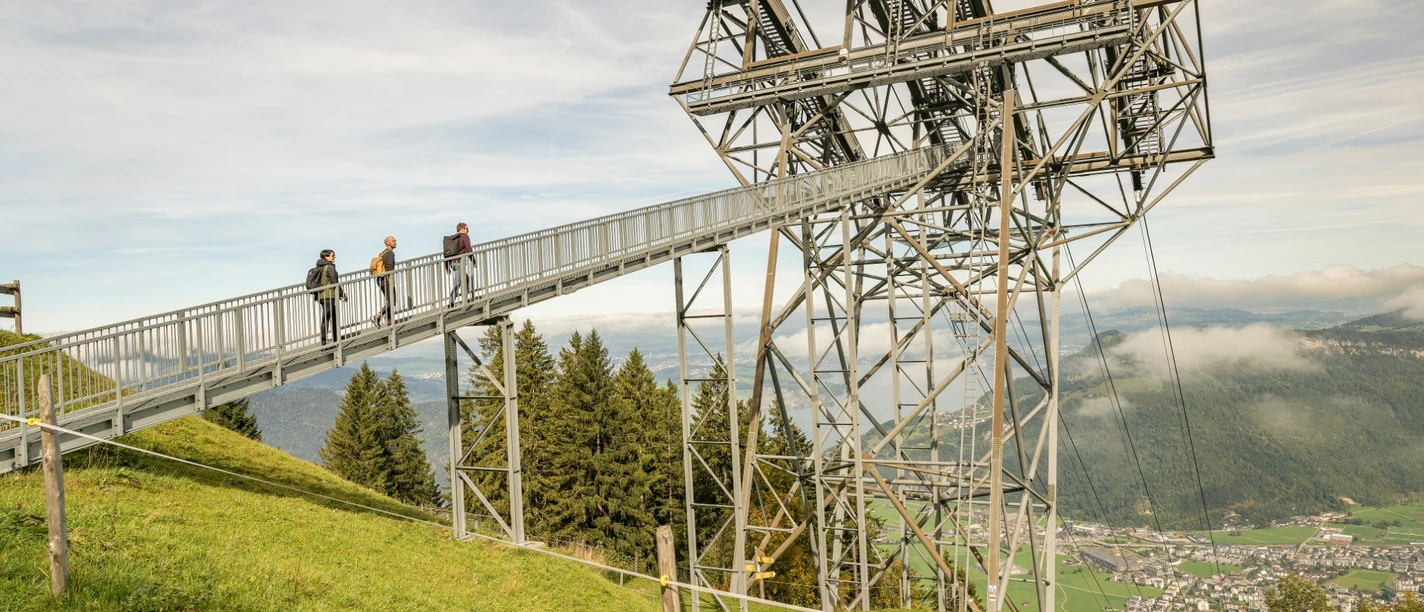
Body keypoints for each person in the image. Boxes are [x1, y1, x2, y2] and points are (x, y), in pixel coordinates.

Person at [314, 250, 347, 345]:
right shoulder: (329, 267)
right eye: (332, 256)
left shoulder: (321, 266)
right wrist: (342, 294)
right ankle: (324, 341)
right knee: (327, 317)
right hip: (328, 295)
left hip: (322, 295)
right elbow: (334, 282)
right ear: (326, 257)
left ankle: (336, 337)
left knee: (332, 316)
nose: (334, 257)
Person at [372, 236, 397, 328]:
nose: (395, 242)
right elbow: (389, 268)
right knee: (392, 301)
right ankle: (377, 316)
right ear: (388, 243)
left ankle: (389, 323)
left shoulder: (382, 253)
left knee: (390, 301)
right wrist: (390, 281)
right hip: (386, 280)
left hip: (380, 280)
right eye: (393, 241)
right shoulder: (390, 253)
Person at [447, 222, 474, 307]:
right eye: (467, 229)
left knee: (466, 278)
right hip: (458, 263)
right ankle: (451, 302)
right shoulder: (464, 236)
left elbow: (447, 253)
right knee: (457, 282)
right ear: (462, 229)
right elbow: (469, 250)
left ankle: (465, 298)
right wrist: (473, 261)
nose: (468, 231)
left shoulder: (452, 238)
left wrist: (446, 267)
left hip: (451, 263)